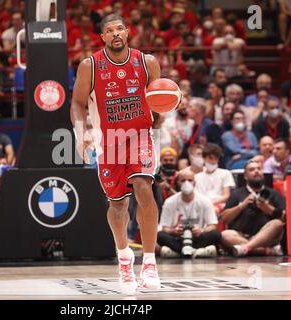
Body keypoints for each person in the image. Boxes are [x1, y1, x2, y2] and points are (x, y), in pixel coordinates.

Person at [70, 14, 162, 295]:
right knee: (118, 205)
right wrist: (80, 131)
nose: (115, 33)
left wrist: (169, 106)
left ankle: (149, 262)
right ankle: (124, 258)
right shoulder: (90, 65)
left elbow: (159, 101)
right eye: (109, 30)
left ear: (128, 32)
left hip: (139, 137)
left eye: (119, 28)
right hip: (107, 142)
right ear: (103, 38)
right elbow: (77, 102)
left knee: (144, 188)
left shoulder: (148, 62)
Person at [220, 160, 286, 257]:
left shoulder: (273, 193)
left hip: (267, 237)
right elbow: (224, 218)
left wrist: (268, 209)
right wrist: (241, 206)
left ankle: (245, 248)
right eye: (252, 169)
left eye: (259, 169)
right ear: (245, 176)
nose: (256, 171)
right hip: (241, 235)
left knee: (277, 224)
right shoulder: (237, 194)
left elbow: (284, 218)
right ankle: (264, 251)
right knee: (225, 235)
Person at [157, 169, 221, 259]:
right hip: (178, 238)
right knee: (160, 235)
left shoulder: (204, 200)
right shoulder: (170, 202)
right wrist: (173, 231)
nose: (186, 183)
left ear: (194, 183)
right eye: (183, 180)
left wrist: (201, 231)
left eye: (190, 180)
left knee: (216, 235)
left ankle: (178, 252)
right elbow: (165, 228)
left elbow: (213, 225)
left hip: (197, 237)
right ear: (178, 183)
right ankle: (196, 252)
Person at [195, 144, 235, 214]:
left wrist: (210, 203)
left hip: (220, 205)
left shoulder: (225, 173)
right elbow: (196, 196)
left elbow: (226, 196)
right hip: (201, 206)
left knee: (211, 211)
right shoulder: (197, 177)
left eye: (216, 158)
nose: (213, 161)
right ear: (204, 158)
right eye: (210, 158)